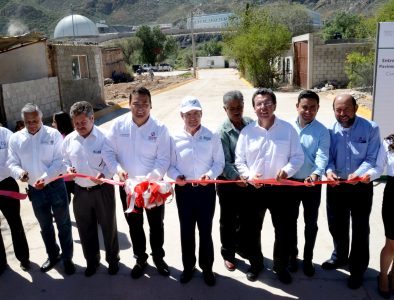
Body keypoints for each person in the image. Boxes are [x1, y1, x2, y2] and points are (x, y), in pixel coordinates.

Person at [235, 88, 304, 283]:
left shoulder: (288, 129)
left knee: (283, 230)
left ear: (274, 105)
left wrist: (287, 171)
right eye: (259, 104)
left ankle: (280, 266)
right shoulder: (247, 133)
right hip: (254, 190)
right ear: (254, 108)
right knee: (251, 230)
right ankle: (255, 264)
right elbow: (239, 160)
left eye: (267, 103)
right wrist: (249, 176)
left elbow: (298, 157)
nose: (263, 107)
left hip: (281, 190)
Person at [102, 87, 171, 279]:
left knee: (156, 225)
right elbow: (108, 151)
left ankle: (158, 257)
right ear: (129, 104)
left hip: (153, 187)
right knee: (135, 226)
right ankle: (140, 259)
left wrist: (153, 177)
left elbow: (164, 158)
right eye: (136, 103)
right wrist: (117, 170)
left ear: (151, 105)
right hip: (129, 188)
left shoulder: (160, 128)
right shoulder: (118, 126)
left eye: (145, 104)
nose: (140, 108)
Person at [7, 103, 75, 275]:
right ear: (23, 121)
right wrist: (19, 173)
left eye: (35, 120)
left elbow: (59, 161)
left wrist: (44, 179)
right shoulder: (16, 139)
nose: (32, 124)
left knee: (64, 224)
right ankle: (53, 255)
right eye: (28, 121)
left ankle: (68, 258)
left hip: (56, 187)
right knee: (45, 226)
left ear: (41, 117)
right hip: (35, 191)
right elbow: (11, 162)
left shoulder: (53, 134)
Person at [323, 94, 380, 289]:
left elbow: (372, 158)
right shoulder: (329, 130)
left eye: (346, 109)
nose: (342, 113)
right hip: (336, 185)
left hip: (361, 186)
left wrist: (358, 174)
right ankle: (339, 257)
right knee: (336, 225)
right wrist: (329, 171)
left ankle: (357, 269)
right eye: (338, 110)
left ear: (355, 108)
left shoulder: (371, 128)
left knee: (360, 229)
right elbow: (327, 157)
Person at [167, 96, 224, 286]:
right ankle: (189, 267)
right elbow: (170, 165)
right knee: (187, 231)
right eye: (188, 114)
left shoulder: (211, 135)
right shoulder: (174, 138)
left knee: (205, 231)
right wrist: (177, 177)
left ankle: (207, 269)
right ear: (181, 115)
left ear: (202, 114)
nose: (193, 118)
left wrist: (210, 174)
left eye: (196, 114)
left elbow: (219, 162)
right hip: (184, 192)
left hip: (206, 191)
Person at [62, 101, 120, 277]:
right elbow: (64, 160)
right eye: (76, 123)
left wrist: (106, 175)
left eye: (83, 122)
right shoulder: (69, 140)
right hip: (80, 191)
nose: (79, 126)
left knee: (108, 226)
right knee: (85, 228)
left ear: (92, 118)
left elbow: (114, 161)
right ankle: (92, 261)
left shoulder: (105, 137)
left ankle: (112, 260)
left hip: (103, 190)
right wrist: (67, 169)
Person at [288, 90, 330, 277]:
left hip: (312, 185)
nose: (308, 111)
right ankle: (292, 257)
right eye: (305, 107)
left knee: (310, 224)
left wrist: (316, 173)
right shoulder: (287, 128)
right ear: (297, 107)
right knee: (290, 223)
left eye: (313, 108)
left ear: (318, 108)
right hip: (290, 184)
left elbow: (322, 156)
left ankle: (307, 259)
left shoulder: (322, 131)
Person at [216, 90, 253, 272]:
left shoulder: (251, 124)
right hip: (229, 183)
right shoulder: (222, 132)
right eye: (232, 109)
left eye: (239, 107)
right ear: (225, 109)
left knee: (246, 218)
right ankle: (228, 254)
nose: (237, 111)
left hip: (248, 182)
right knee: (228, 220)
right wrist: (237, 178)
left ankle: (242, 247)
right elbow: (223, 162)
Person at [360, 134, 394, 298]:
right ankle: (383, 277)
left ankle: (393, 275)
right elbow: (379, 167)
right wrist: (369, 176)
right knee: (392, 242)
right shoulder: (389, 142)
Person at [0, 126, 30, 275]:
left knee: (15, 223)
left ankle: (23, 258)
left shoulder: (6, 134)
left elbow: (19, 153)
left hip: (7, 184)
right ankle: (0, 263)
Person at [52, 111, 75, 202]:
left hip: (64, 178)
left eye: (54, 121)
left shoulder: (58, 138)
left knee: (64, 206)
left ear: (60, 123)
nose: (53, 124)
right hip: (73, 176)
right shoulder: (73, 135)